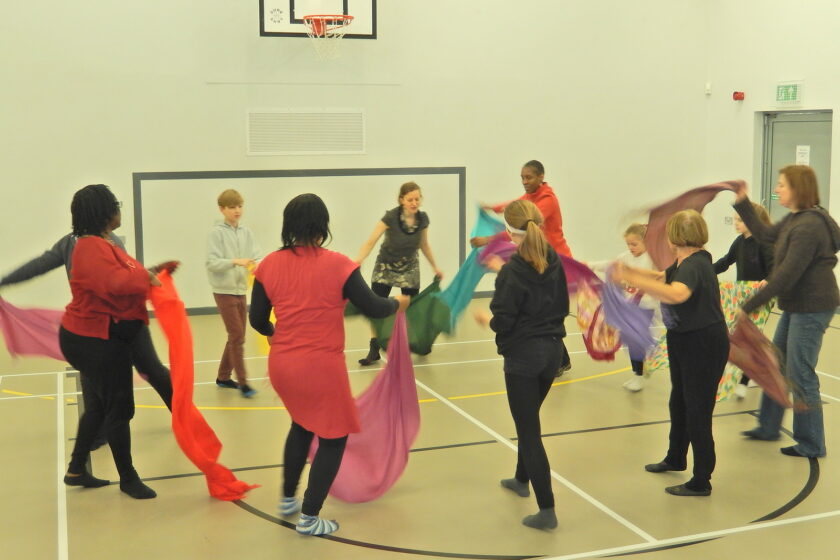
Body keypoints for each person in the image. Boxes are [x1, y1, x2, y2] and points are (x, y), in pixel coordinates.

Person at [249, 193, 409, 536]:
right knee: (333, 438)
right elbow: (374, 306)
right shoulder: (338, 264)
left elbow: (257, 320)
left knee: (301, 426)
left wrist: (277, 332)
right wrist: (398, 302)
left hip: (282, 366)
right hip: (320, 367)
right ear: (322, 226)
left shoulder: (268, 265)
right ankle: (309, 517)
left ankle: (288, 499)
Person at [611, 210, 728, 497]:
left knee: (698, 410)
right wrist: (627, 272)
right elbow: (660, 276)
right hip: (684, 338)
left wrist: (634, 280)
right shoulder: (685, 261)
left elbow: (676, 293)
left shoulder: (695, 266)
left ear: (675, 237)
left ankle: (702, 480)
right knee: (680, 402)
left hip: (703, 343)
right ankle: (676, 456)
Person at [0, 233, 175, 420]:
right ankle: (97, 435)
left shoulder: (109, 242)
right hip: (94, 326)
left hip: (125, 323)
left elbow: (125, 278)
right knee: (94, 382)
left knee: (150, 371)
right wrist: (4, 281)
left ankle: (182, 415)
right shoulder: (72, 243)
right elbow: (40, 265)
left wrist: (152, 272)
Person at [59, 184, 159, 499]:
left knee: (100, 407)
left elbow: (122, 277)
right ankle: (128, 479)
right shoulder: (90, 247)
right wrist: (147, 278)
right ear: (104, 212)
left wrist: (148, 274)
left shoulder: (102, 243)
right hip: (92, 339)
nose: (119, 209)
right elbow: (115, 284)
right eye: (115, 204)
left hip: (94, 335)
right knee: (120, 408)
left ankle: (76, 470)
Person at [475, 199, 568, 530]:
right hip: (553, 353)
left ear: (509, 232)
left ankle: (547, 509)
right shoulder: (553, 258)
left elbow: (504, 320)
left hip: (525, 359)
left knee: (529, 432)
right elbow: (557, 300)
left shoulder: (513, 271)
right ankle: (519, 477)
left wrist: (487, 317)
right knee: (529, 420)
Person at [734, 165, 839, 458]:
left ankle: (811, 443)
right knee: (776, 365)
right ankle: (768, 427)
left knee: (799, 373)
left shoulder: (809, 226)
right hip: (797, 304)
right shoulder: (798, 218)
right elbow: (766, 235)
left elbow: (785, 277)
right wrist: (742, 201)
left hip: (813, 306)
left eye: (782, 185)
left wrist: (748, 306)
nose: (777, 189)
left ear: (798, 189)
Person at [471, 160, 573, 375]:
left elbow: (520, 225)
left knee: (546, 312)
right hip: (537, 262)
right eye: (522, 178)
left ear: (541, 177)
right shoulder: (530, 197)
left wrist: (488, 240)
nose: (525, 182)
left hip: (555, 262)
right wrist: (493, 207)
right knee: (540, 311)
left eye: (529, 177)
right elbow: (514, 204)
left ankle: (559, 360)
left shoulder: (547, 201)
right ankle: (561, 360)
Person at [354, 181, 442, 365]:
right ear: (402, 200)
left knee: (409, 308)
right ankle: (374, 348)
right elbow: (371, 241)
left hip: (409, 267)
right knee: (376, 307)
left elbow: (424, 245)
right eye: (410, 199)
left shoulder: (423, 219)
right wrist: (358, 260)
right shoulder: (391, 217)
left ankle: (410, 343)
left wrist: (435, 266)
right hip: (385, 266)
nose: (414, 202)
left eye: (417, 199)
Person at [713, 203, 774, 398]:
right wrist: (705, 271)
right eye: (735, 219)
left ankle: (744, 380)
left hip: (760, 297)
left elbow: (776, 268)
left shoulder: (764, 242)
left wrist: (767, 281)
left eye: (740, 219)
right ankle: (759, 368)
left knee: (748, 337)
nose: (735, 223)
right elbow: (725, 262)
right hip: (742, 295)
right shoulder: (739, 242)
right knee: (743, 336)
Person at [206, 189, 262, 397]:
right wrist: (235, 262)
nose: (237, 210)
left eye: (239, 206)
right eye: (232, 207)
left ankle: (223, 377)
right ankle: (244, 383)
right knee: (237, 335)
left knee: (237, 335)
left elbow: (256, 255)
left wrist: (257, 265)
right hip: (223, 291)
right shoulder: (216, 233)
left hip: (240, 289)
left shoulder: (246, 232)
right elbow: (212, 263)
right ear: (222, 209)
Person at [591, 223, 659, 392]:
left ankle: (640, 372)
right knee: (630, 340)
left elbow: (659, 279)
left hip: (646, 306)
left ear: (646, 242)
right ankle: (639, 370)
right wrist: (589, 265)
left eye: (634, 244)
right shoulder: (625, 257)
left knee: (635, 340)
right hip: (629, 306)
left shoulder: (652, 259)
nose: (630, 247)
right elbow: (609, 265)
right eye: (628, 244)